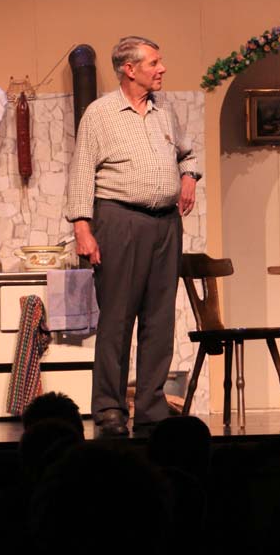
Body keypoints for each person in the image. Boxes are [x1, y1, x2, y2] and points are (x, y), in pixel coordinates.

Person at [65, 36, 200, 437]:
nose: (162, 69)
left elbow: (187, 153)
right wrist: (82, 228)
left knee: (160, 319)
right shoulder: (100, 114)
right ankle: (109, 407)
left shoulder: (164, 111)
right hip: (119, 220)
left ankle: (151, 407)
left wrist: (189, 176)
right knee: (118, 318)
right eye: (154, 63)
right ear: (129, 69)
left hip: (165, 225)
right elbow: (81, 171)